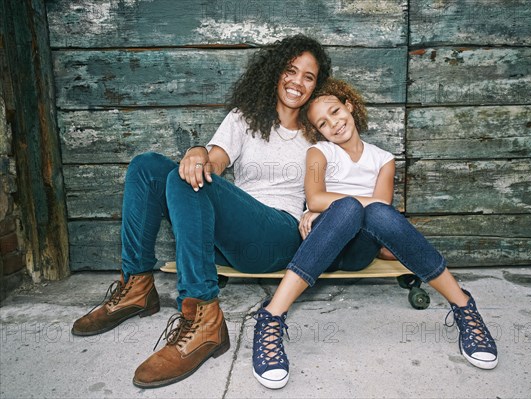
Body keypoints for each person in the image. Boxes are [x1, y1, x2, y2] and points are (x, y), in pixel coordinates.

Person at [70, 34, 332, 388]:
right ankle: (137, 287)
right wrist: (197, 152)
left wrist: (320, 211)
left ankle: (204, 316)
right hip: (233, 234)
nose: (297, 82)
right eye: (291, 70)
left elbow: (338, 184)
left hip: (278, 235)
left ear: (316, 86)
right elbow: (217, 161)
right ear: (276, 72)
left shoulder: (319, 131)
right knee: (149, 166)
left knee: (186, 179)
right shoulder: (245, 118)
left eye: (308, 76)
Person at [252, 79, 498, 389]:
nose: (334, 124)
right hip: (321, 246)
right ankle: (271, 317)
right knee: (352, 209)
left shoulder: (383, 159)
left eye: (336, 112)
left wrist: (345, 204)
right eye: (323, 123)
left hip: (359, 250)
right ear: (319, 131)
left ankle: (464, 307)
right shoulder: (319, 152)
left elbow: (381, 208)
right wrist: (337, 207)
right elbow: (315, 199)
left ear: (349, 106)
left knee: (371, 212)